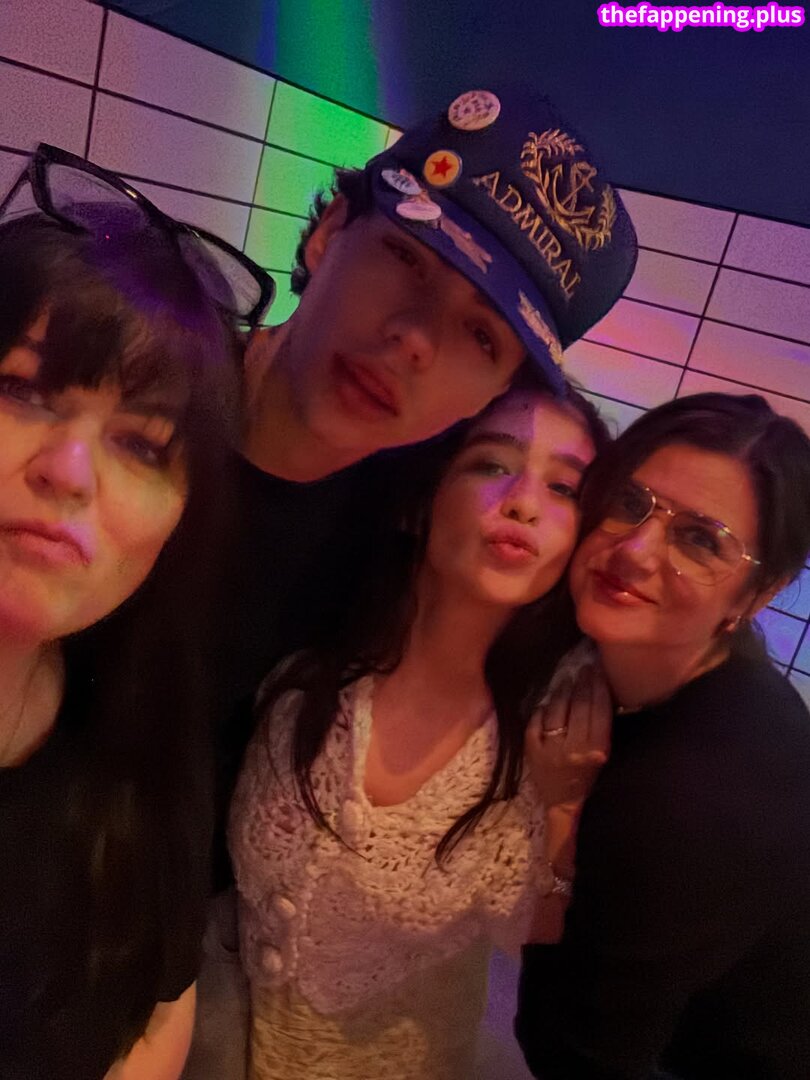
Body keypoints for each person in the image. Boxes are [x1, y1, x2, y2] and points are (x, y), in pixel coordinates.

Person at [228, 372, 613, 1080]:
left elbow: (560, 972)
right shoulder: (310, 644)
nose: (523, 503)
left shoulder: (561, 725)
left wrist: (565, 811)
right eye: (491, 465)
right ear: (419, 501)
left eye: (564, 488)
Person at [0, 144, 272, 1079]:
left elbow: (157, 1006)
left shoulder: (143, 738)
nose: (69, 471)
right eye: (22, 390)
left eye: (143, 444)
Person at [515, 393, 810, 1080]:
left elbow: (571, 1056)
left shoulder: (690, 795)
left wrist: (561, 818)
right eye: (630, 502)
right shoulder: (678, 676)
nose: (636, 550)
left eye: (701, 539)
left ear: (755, 596)